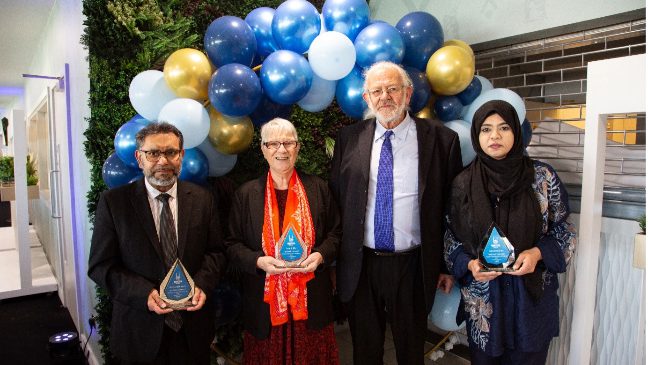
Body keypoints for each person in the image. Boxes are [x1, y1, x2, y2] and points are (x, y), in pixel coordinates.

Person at [330, 61, 463, 365]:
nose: (385, 96)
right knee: (365, 350)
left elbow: (451, 209)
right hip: (361, 264)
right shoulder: (348, 140)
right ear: (367, 99)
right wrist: (336, 261)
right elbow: (338, 202)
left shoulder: (441, 140)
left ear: (408, 93)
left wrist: (445, 264)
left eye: (392, 88)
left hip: (413, 264)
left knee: (410, 349)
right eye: (376, 91)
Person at [444, 100, 577, 365]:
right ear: (476, 136)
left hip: (530, 302)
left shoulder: (542, 178)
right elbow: (450, 237)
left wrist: (538, 253)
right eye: (486, 129)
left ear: (516, 132)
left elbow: (565, 231)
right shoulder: (462, 183)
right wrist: (469, 264)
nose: (495, 136)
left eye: (504, 127)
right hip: (485, 304)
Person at [88, 122, 226, 364]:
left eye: (171, 152)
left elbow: (215, 253)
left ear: (181, 156)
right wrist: (145, 295)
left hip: (192, 331)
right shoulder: (114, 203)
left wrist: (201, 285)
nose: (163, 161)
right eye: (153, 153)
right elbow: (101, 266)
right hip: (139, 331)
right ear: (139, 158)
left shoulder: (203, 199)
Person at [226, 118, 341, 364]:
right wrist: (259, 262)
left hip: (311, 301)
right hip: (264, 304)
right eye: (273, 143)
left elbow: (336, 233)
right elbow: (231, 245)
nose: (282, 150)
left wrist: (320, 255)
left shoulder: (319, 188)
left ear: (298, 147)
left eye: (288, 143)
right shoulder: (246, 195)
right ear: (263, 149)